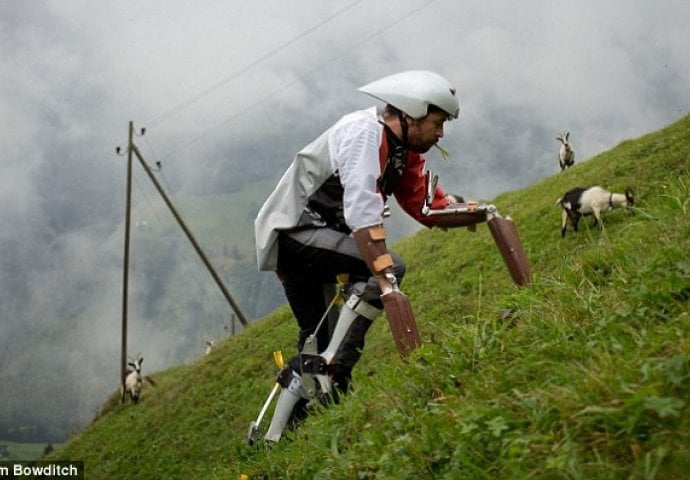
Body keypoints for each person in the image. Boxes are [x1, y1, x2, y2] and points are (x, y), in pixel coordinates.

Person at [253, 70, 482, 442]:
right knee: (388, 269)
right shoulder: (364, 133)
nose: (441, 134)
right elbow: (362, 214)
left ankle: (276, 442)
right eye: (437, 123)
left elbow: (424, 205)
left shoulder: (401, 151)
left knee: (316, 342)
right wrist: (383, 272)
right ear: (411, 114)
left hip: (313, 242)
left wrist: (475, 212)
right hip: (295, 233)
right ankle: (336, 367)